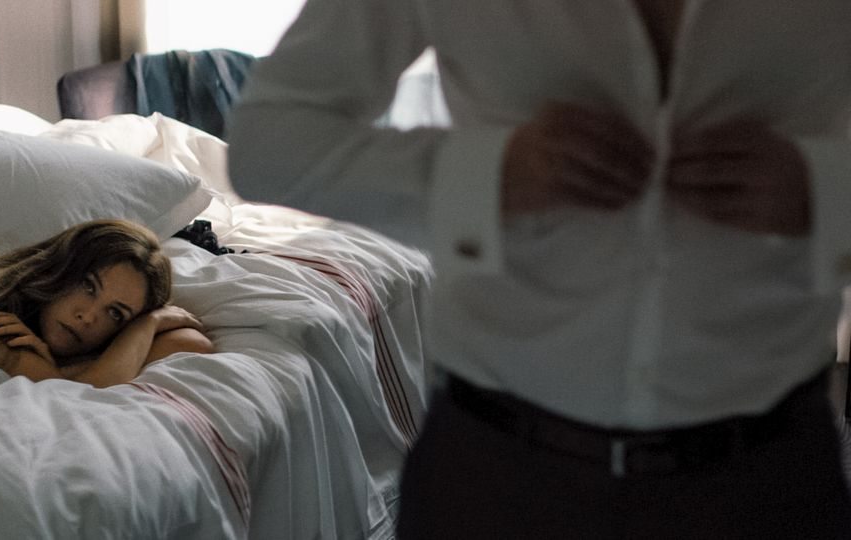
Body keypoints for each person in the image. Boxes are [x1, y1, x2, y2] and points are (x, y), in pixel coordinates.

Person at [226, 0, 851, 537]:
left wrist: (824, 192)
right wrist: (488, 175)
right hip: (497, 479)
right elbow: (269, 142)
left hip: (766, 480)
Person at [0, 219, 214, 388]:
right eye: (88, 286)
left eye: (115, 313)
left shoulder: (59, 347)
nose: (88, 316)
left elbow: (192, 343)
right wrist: (150, 324)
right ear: (58, 269)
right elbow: (82, 396)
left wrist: (144, 325)